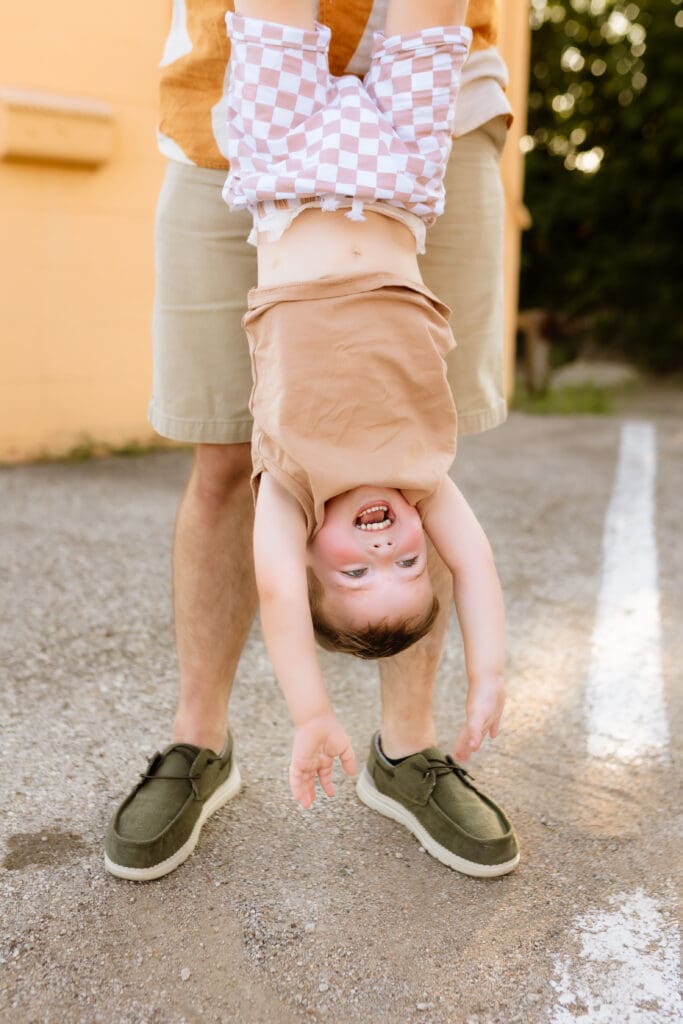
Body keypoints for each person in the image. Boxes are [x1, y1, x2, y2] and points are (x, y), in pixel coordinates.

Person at [104, 0, 517, 882]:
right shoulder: (421, 481)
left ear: (308, 555)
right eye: (408, 566)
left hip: (284, 162)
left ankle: (400, 748)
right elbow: (475, 565)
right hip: (404, 169)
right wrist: (488, 675)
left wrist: (310, 715)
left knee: (276, 18)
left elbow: (281, 603)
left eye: (357, 573)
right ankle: (215, 740)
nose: (386, 549)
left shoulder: (288, 487)